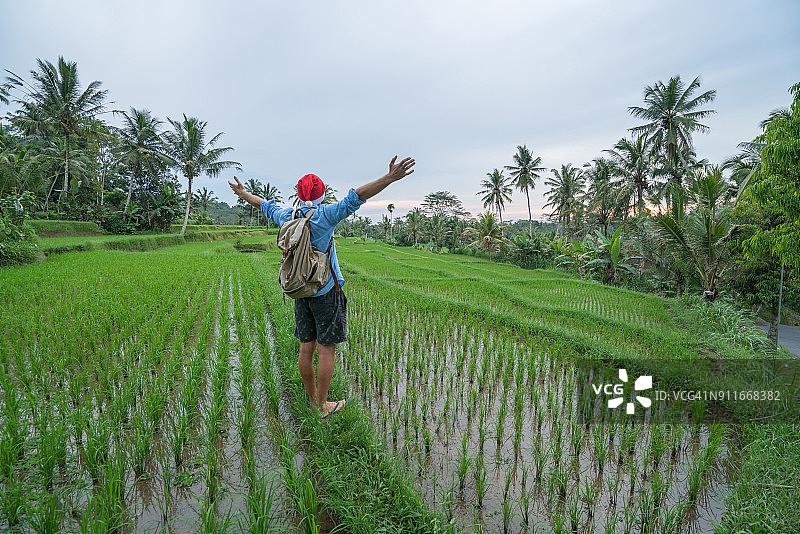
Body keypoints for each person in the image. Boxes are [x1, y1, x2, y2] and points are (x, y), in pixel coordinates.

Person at [229, 156, 415, 418]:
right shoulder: (326, 215)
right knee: (327, 349)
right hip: (326, 290)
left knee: (306, 347)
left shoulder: (287, 215)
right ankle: (322, 405)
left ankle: (311, 400)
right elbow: (357, 196)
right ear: (322, 193)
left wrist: (242, 192)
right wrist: (389, 178)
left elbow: (263, 204)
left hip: (300, 290)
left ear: (298, 193)